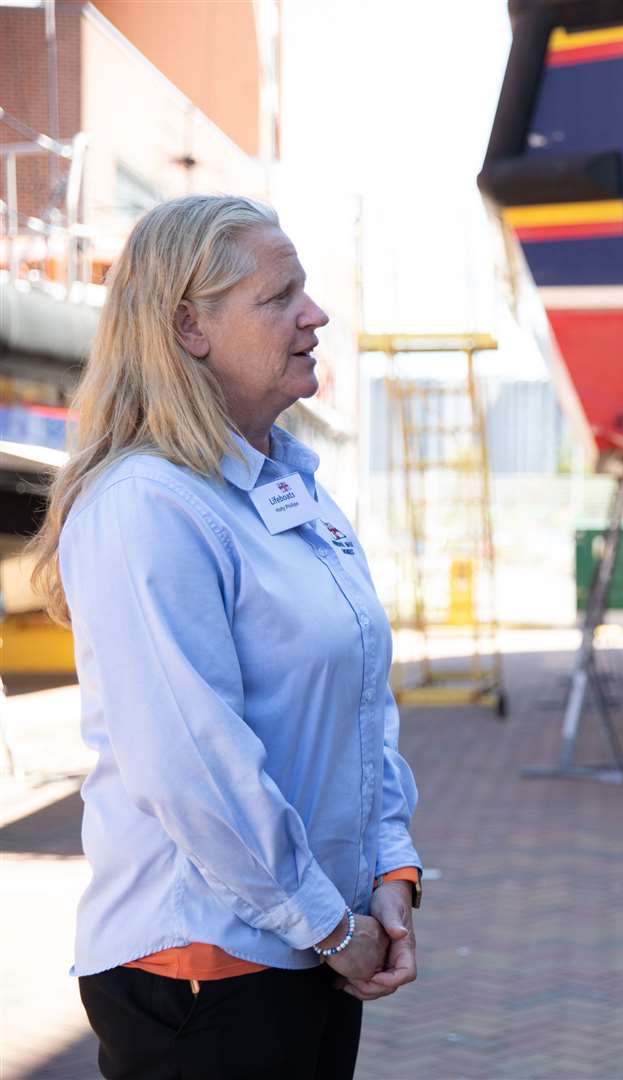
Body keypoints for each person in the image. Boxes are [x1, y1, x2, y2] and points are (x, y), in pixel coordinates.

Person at [28, 195, 423, 1079]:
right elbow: (194, 763)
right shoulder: (147, 506)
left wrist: (391, 872)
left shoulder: (291, 486)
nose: (314, 315)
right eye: (280, 296)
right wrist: (325, 922)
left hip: (313, 948)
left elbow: (363, 699)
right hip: (210, 968)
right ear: (189, 328)